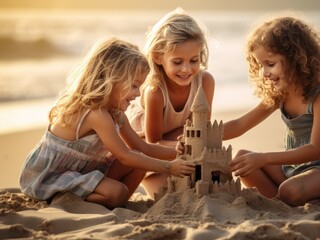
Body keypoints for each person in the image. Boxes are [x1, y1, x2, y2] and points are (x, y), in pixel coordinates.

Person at [19, 37, 195, 209]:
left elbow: (143, 148)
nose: (138, 94)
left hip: (83, 171)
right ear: (111, 80)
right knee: (117, 191)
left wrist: (177, 152)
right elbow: (124, 155)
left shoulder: (116, 114)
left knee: (140, 165)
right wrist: (169, 168)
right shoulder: (95, 113)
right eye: (134, 86)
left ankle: (113, 202)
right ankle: (67, 200)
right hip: (53, 176)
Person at [224, 15, 320, 206]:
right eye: (260, 65)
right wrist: (202, 133)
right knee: (241, 160)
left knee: (290, 189)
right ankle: (280, 203)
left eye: (270, 64)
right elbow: (239, 125)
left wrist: (263, 158)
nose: (264, 73)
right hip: (297, 169)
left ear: (296, 59)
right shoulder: (281, 95)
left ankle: (296, 197)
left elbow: (315, 150)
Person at [126, 8, 215, 198]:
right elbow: (152, 141)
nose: (186, 69)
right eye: (177, 62)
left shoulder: (205, 81)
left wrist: (189, 144)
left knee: (205, 189)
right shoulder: (155, 90)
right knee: (170, 195)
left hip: (182, 145)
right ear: (158, 57)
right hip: (149, 153)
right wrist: (182, 146)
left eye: (193, 60)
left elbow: (203, 128)